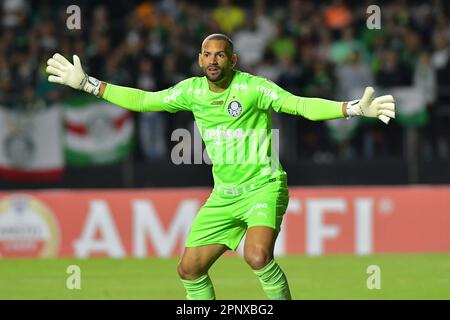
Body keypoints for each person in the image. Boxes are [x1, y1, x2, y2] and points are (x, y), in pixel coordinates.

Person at [45, 33, 395, 300]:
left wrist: (350, 108)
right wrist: (89, 84)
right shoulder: (192, 91)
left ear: (233, 60)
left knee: (256, 256)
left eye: (220, 55)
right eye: (208, 55)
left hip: (264, 185)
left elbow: (300, 105)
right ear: (200, 59)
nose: (213, 61)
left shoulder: (254, 88)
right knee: (189, 269)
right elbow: (144, 101)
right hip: (223, 197)